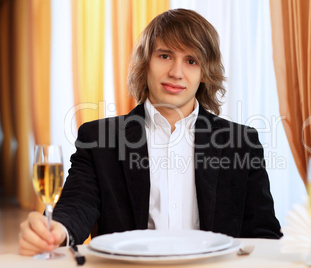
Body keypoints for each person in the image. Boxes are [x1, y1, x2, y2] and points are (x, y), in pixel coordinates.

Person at [19, 8, 282, 256]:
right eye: (165, 56)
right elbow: (77, 205)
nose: (176, 73)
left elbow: (263, 233)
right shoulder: (98, 139)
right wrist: (55, 231)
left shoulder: (241, 142)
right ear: (146, 63)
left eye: (191, 61)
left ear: (205, 72)